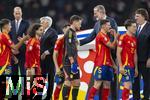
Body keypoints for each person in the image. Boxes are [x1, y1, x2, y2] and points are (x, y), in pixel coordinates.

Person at [79, 5, 118, 99]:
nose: (94, 14)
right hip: (102, 59)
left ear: (101, 11)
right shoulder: (97, 24)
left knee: (110, 83)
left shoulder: (111, 21)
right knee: (100, 82)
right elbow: (90, 37)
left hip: (111, 56)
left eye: (95, 12)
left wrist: (112, 53)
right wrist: (79, 42)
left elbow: (113, 36)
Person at [87, 19, 117, 100]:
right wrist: (115, 36)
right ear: (103, 26)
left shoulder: (106, 36)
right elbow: (112, 46)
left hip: (108, 64)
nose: (110, 27)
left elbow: (108, 52)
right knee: (97, 84)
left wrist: (113, 65)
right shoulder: (101, 35)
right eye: (108, 25)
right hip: (101, 63)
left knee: (107, 84)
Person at [62, 15, 82, 100]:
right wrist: (71, 60)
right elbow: (69, 46)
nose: (80, 25)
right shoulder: (69, 32)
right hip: (69, 61)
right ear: (74, 22)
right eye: (79, 23)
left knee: (77, 82)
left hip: (74, 61)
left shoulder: (73, 32)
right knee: (68, 82)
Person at [117, 19, 138, 100]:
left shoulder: (134, 39)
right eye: (134, 26)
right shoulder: (123, 37)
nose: (135, 28)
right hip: (125, 66)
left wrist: (136, 68)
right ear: (128, 27)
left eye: (135, 26)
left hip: (132, 66)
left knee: (129, 86)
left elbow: (135, 54)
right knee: (127, 85)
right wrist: (121, 66)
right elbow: (118, 53)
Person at [132, 8, 150, 100]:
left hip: (145, 60)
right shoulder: (135, 28)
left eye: (137, 16)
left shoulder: (149, 27)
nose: (135, 18)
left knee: (147, 81)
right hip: (135, 60)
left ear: (143, 16)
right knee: (135, 81)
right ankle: (136, 98)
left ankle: (146, 98)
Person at [40, 16, 58, 99]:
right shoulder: (42, 32)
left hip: (50, 59)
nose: (41, 23)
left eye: (42, 22)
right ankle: (39, 94)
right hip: (41, 60)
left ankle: (49, 96)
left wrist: (46, 52)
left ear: (47, 23)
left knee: (50, 78)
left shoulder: (52, 32)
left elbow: (55, 45)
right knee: (40, 77)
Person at [9, 6, 29, 75]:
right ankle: (14, 86)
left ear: (21, 13)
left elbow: (28, 36)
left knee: (23, 71)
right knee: (13, 72)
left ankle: (23, 86)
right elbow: (9, 37)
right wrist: (13, 48)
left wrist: (23, 41)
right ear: (13, 13)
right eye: (16, 13)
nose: (17, 15)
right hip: (13, 51)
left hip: (22, 51)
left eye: (19, 13)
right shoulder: (10, 24)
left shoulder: (26, 23)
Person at [53, 24, 70, 100]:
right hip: (60, 66)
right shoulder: (60, 40)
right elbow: (54, 55)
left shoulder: (71, 41)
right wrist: (57, 68)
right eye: (67, 29)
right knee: (59, 85)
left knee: (68, 84)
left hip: (69, 66)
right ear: (63, 30)